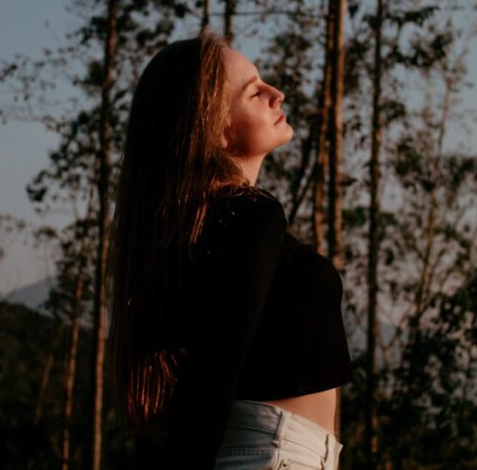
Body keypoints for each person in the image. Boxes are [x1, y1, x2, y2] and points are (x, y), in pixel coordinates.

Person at [109, 32, 354, 470]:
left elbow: (187, 393)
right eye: (255, 92)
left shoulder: (188, 231)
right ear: (217, 129)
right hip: (273, 455)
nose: (277, 94)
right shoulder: (249, 216)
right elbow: (213, 379)